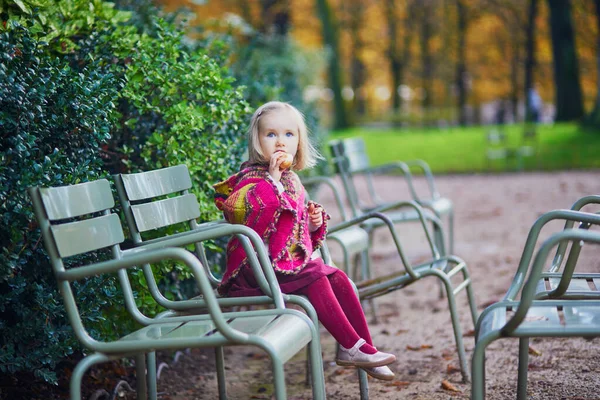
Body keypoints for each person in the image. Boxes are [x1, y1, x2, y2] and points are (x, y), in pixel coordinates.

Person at [213, 101, 396, 381]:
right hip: (255, 271)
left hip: (284, 266)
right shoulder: (250, 179)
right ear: (257, 141)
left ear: (299, 142)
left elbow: (291, 230)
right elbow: (251, 216)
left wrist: (311, 224)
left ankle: (363, 349)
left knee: (337, 278)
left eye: (289, 135)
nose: (280, 142)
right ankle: (353, 348)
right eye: (270, 135)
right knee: (317, 276)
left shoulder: (292, 180)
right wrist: (271, 180)